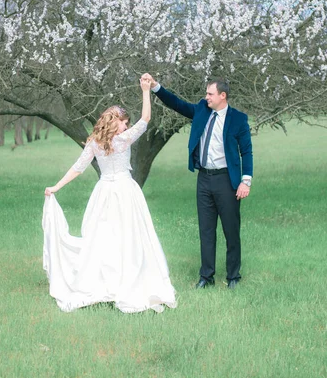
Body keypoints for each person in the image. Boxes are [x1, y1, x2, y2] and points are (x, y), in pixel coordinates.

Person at [43, 77, 177, 313]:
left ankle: (114, 278)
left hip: (108, 192)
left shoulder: (96, 142)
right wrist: (146, 91)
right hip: (122, 190)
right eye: (124, 123)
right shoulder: (120, 140)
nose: (126, 127)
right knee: (116, 236)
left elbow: (79, 167)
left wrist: (57, 186)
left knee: (113, 235)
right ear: (115, 123)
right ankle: (116, 279)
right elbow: (146, 119)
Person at [141, 73, 253, 289]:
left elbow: (246, 152)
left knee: (231, 231)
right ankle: (206, 277)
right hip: (204, 180)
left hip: (227, 181)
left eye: (210, 94)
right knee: (206, 230)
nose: (206, 97)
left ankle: (233, 277)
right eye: (206, 93)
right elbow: (176, 103)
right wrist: (155, 87)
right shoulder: (202, 110)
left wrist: (245, 181)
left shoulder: (238, 119)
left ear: (223, 95)